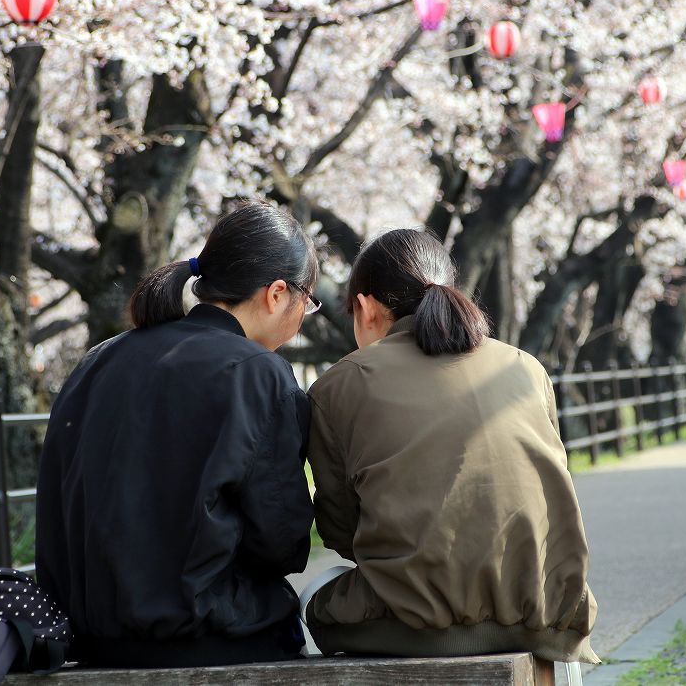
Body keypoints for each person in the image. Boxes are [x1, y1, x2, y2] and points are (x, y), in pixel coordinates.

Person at [35, 200, 320, 668]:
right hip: (211, 638)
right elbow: (282, 542)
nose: (304, 314)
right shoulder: (259, 374)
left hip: (89, 642)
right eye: (306, 301)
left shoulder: (98, 360)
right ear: (276, 294)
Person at [304, 229, 599, 665]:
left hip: (411, 625)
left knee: (317, 592)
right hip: (546, 619)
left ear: (365, 308)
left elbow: (342, 530)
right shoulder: (525, 368)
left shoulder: (339, 385)